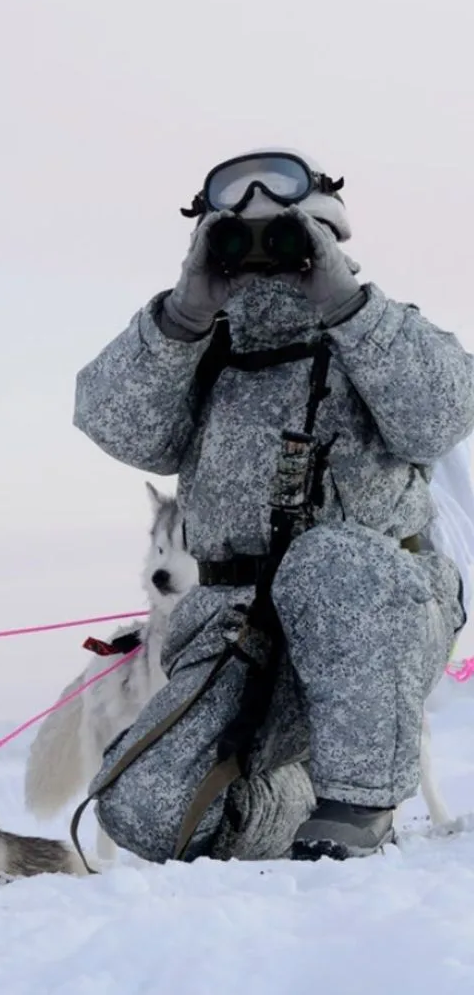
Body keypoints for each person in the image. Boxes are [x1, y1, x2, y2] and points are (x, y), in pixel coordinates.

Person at [72, 149, 474, 862]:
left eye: (285, 234)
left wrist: (344, 303)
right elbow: (114, 421)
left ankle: (360, 800)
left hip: (376, 615)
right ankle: (296, 798)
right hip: (239, 627)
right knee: (141, 808)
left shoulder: (378, 334)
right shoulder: (200, 352)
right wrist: (186, 311)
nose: (264, 254)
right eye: (238, 236)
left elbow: (440, 415)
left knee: (327, 559)